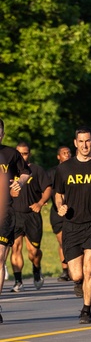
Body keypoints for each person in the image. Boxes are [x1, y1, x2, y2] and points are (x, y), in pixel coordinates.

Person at [52, 127, 91, 324]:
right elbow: (57, 195)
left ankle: (86, 310)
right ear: (75, 143)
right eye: (81, 141)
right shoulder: (64, 169)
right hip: (71, 225)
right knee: (76, 274)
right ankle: (82, 283)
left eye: (88, 141)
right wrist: (60, 206)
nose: (85, 145)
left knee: (89, 268)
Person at [8, 142, 50, 291]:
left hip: (32, 215)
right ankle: (18, 281)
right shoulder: (9, 170)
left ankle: (36, 269)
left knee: (33, 252)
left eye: (25, 153)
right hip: (14, 215)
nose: (22, 156)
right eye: (19, 153)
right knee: (16, 248)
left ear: (29, 154)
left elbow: (48, 188)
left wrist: (40, 202)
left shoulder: (36, 170)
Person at [0, 120, 32, 322]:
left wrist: (19, 183)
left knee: (0, 257)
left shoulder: (11, 154)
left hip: (4, 212)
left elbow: (26, 172)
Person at [47, 146, 72, 281]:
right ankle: (65, 270)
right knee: (62, 241)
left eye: (69, 153)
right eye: (64, 153)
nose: (67, 155)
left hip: (74, 211)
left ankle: (75, 267)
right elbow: (44, 188)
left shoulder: (75, 170)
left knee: (73, 241)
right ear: (58, 157)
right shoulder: (51, 173)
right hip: (57, 212)